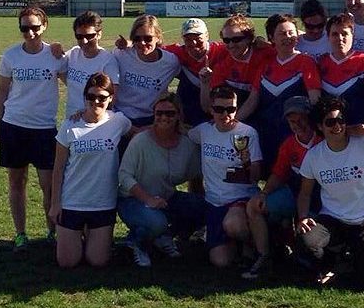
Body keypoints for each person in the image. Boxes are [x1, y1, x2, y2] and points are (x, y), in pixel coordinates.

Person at [297, 96, 364, 291]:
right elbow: (304, 193)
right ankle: (334, 262)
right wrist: (302, 217)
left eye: (341, 120)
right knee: (306, 241)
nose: (337, 126)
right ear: (320, 126)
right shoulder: (314, 155)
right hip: (332, 220)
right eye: (330, 122)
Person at [0, 6, 67, 252]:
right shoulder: (11, 55)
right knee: (16, 181)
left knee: (48, 184)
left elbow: (74, 82)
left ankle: (51, 232)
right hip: (14, 126)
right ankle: (21, 234)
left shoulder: (55, 55)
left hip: (44, 130)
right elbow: (2, 91)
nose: (30, 32)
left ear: (44, 26)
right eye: (25, 28)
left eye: (35, 27)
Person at [50, 72, 131, 267]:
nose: (96, 101)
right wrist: (55, 204)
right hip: (72, 202)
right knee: (67, 263)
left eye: (102, 97)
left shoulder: (118, 121)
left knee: (98, 261)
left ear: (111, 98)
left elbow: (141, 135)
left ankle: (92, 237)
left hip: (103, 203)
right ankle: (77, 236)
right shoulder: (70, 125)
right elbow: (58, 168)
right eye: (91, 96)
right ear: (84, 97)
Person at [117, 93, 205, 267]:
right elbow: (124, 176)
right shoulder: (140, 141)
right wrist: (148, 199)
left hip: (166, 198)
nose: (164, 117)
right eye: (159, 113)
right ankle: (136, 243)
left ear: (179, 115)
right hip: (133, 200)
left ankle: (164, 236)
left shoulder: (186, 145)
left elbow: (197, 172)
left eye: (170, 113)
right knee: (156, 222)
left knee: (204, 206)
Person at [243, 96, 323, 279]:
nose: (297, 124)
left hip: (321, 201)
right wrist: (264, 193)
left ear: (310, 117)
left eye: (302, 118)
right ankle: (264, 256)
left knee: (309, 238)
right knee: (254, 205)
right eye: (292, 121)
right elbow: (279, 174)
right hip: (293, 193)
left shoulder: (324, 140)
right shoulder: (289, 144)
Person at [188, 86, 263, 267]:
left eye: (231, 109)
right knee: (220, 262)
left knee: (234, 225)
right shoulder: (203, 131)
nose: (225, 114)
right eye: (219, 109)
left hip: (240, 199)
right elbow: (184, 132)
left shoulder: (247, 133)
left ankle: (252, 245)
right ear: (211, 110)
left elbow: (256, 176)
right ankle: (233, 244)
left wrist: (246, 163)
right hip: (214, 202)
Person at [250, 14, 321, 173]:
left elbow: (315, 97)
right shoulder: (265, 64)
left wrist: (317, 129)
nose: (288, 37)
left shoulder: (306, 61)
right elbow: (252, 100)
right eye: (282, 33)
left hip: (295, 134)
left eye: (291, 32)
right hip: (267, 134)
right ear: (271, 38)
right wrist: (232, 121)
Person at [113, 15, 181, 144]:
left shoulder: (171, 62)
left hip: (151, 122)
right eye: (137, 38)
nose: (142, 43)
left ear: (158, 38)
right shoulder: (121, 54)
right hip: (120, 120)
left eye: (148, 38)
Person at [203, 14, 275, 121]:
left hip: (264, 111)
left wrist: (232, 125)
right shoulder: (222, 58)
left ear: (249, 38)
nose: (231, 44)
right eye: (226, 40)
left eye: (236, 39)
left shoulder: (266, 54)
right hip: (234, 114)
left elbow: (253, 99)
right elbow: (210, 106)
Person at [317, 13, 364, 129]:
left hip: (359, 131)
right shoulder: (321, 63)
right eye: (335, 34)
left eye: (344, 34)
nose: (340, 38)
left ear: (352, 35)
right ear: (328, 37)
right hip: (331, 134)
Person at [61, 11, 120, 118]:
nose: (84, 41)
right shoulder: (74, 53)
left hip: (93, 122)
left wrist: (88, 114)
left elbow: (112, 99)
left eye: (89, 36)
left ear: (99, 34)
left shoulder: (108, 61)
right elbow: (58, 68)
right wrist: (55, 47)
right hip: (71, 119)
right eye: (79, 36)